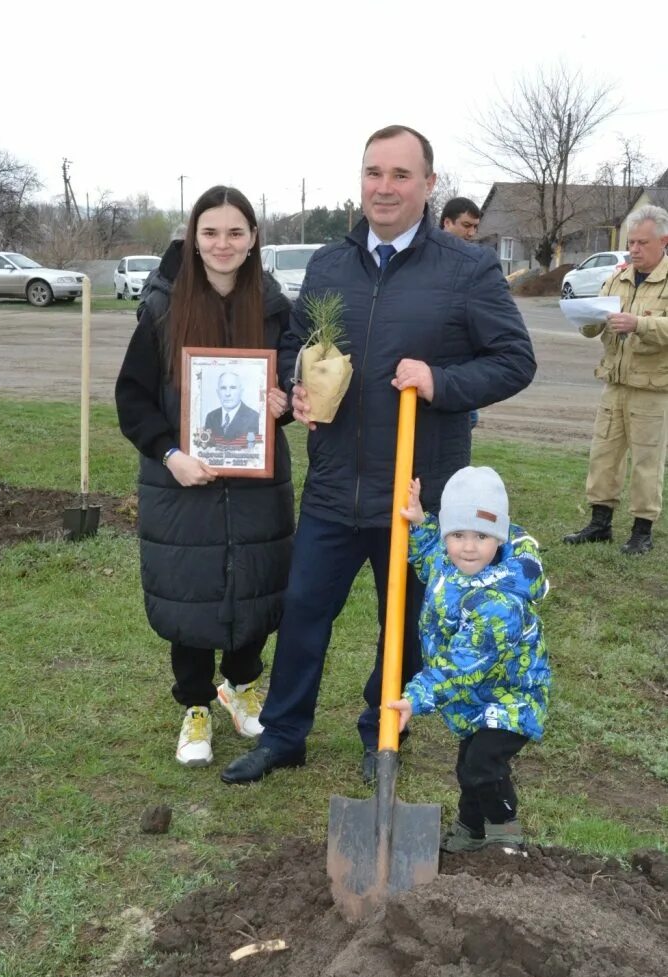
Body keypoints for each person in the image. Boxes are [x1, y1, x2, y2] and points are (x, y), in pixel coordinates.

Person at [221, 124, 536, 786]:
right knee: (304, 611)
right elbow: (298, 346)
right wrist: (296, 387)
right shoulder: (332, 266)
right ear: (359, 181)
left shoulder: (467, 268)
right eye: (373, 173)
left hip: (416, 498)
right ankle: (284, 735)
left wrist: (441, 382)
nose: (383, 187)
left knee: (407, 628)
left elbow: (515, 360)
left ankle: (381, 730)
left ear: (428, 184)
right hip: (335, 485)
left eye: (399, 175)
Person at [115, 186, 294, 767]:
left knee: (255, 576)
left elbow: (297, 388)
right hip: (181, 480)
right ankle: (195, 703)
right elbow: (133, 398)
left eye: (235, 233)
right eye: (210, 232)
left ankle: (241, 684)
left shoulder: (273, 307)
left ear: (253, 240)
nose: (223, 244)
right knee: (189, 586)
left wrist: (282, 403)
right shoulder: (164, 306)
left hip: (254, 480)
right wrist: (170, 454)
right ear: (193, 238)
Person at [388, 466, 551, 854]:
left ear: (500, 538)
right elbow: (431, 557)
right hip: (480, 698)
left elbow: (461, 665)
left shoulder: (500, 603)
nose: (468, 547)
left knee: (482, 766)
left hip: (512, 700)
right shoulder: (452, 563)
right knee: (469, 766)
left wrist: (415, 697)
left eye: (481, 536)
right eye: (457, 534)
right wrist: (422, 525)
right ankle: (471, 829)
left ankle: (504, 833)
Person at [563, 204, 668, 555]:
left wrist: (639, 324)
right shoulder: (617, 277)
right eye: (631, 242)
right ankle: (600, 522)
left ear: (663, 241)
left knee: (646, 461)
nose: (634, 249)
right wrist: (585, 317)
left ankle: (642, 530)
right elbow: (594, 323)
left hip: (652, 389)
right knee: (604, 454)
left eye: (641, 242)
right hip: (615, 383)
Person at [440, 197, 483, 429]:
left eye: (475, 227)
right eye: (466, 225)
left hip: (462, 362)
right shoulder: (427, 259)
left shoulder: (474, 263)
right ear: (447, 222)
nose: (472, 233)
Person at [204, 370, 260, 441]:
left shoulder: (255, 418)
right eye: (223, 388)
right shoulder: (211, 417)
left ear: (241, 391)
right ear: (218, 393)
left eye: (233, 388)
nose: (228, 394)